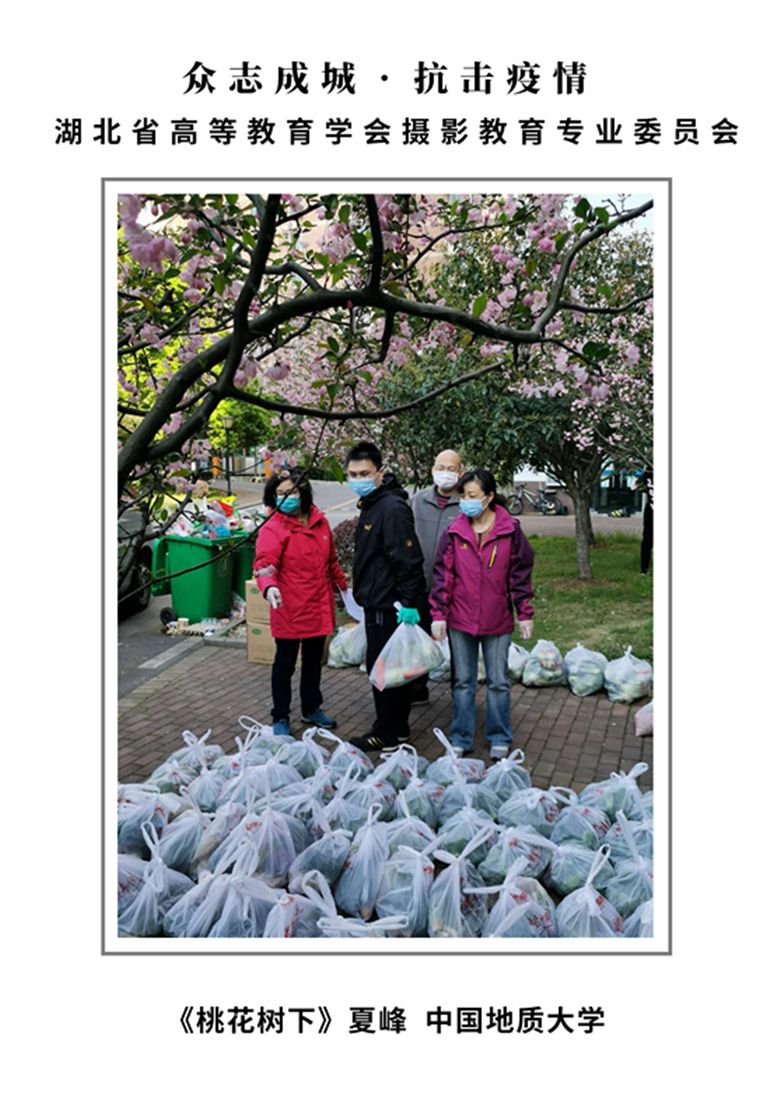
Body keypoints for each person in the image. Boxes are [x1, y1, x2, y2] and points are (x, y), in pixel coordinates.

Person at [430, 468, 535, 760]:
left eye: (472, 496)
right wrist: (438, 613)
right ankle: (461, 736)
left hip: (497, 619)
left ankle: (499, 735)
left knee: (498, 681)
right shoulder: (454, 531)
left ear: (488, 497)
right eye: (463, 496)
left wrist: (524, 611)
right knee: (462, 681)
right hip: (460, 619)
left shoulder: (509, 530)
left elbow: (521, 573)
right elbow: (442, 575)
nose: (465, 501)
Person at [254, 469, 347, 737]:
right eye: (280, 493)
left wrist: (344, 588)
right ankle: (280, 715)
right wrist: (269, 586)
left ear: (303, 492)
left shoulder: (320, 523)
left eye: (292, 492)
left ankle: (311, 707)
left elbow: (331, 562)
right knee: (284, 663)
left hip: (318, 605)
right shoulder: (274, 528)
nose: (287, 498)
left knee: (313, 661)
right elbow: (264, 564)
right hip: (289, 607)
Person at [345, 440, 426, 751]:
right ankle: (399, 728)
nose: (358, 478)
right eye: (353, 473)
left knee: (383, 670)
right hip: (378, 601)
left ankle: (386, 733)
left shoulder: (390, 509)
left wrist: (408, 604)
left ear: (379, 473)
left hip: (387, 605)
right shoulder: (374, 505)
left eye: (364, 472)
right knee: (393, 667)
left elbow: (408, 559)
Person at [409, 448, 465, 703]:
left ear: (461, 472)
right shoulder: (418, 500)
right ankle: (417, 689)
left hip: (455, 588)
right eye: (440, 468)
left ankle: (459, 689)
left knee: (459, 642)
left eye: (451, 469)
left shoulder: (466, 503)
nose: (445, 474)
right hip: (420, 584)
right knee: (419, 639)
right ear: (432, 470)